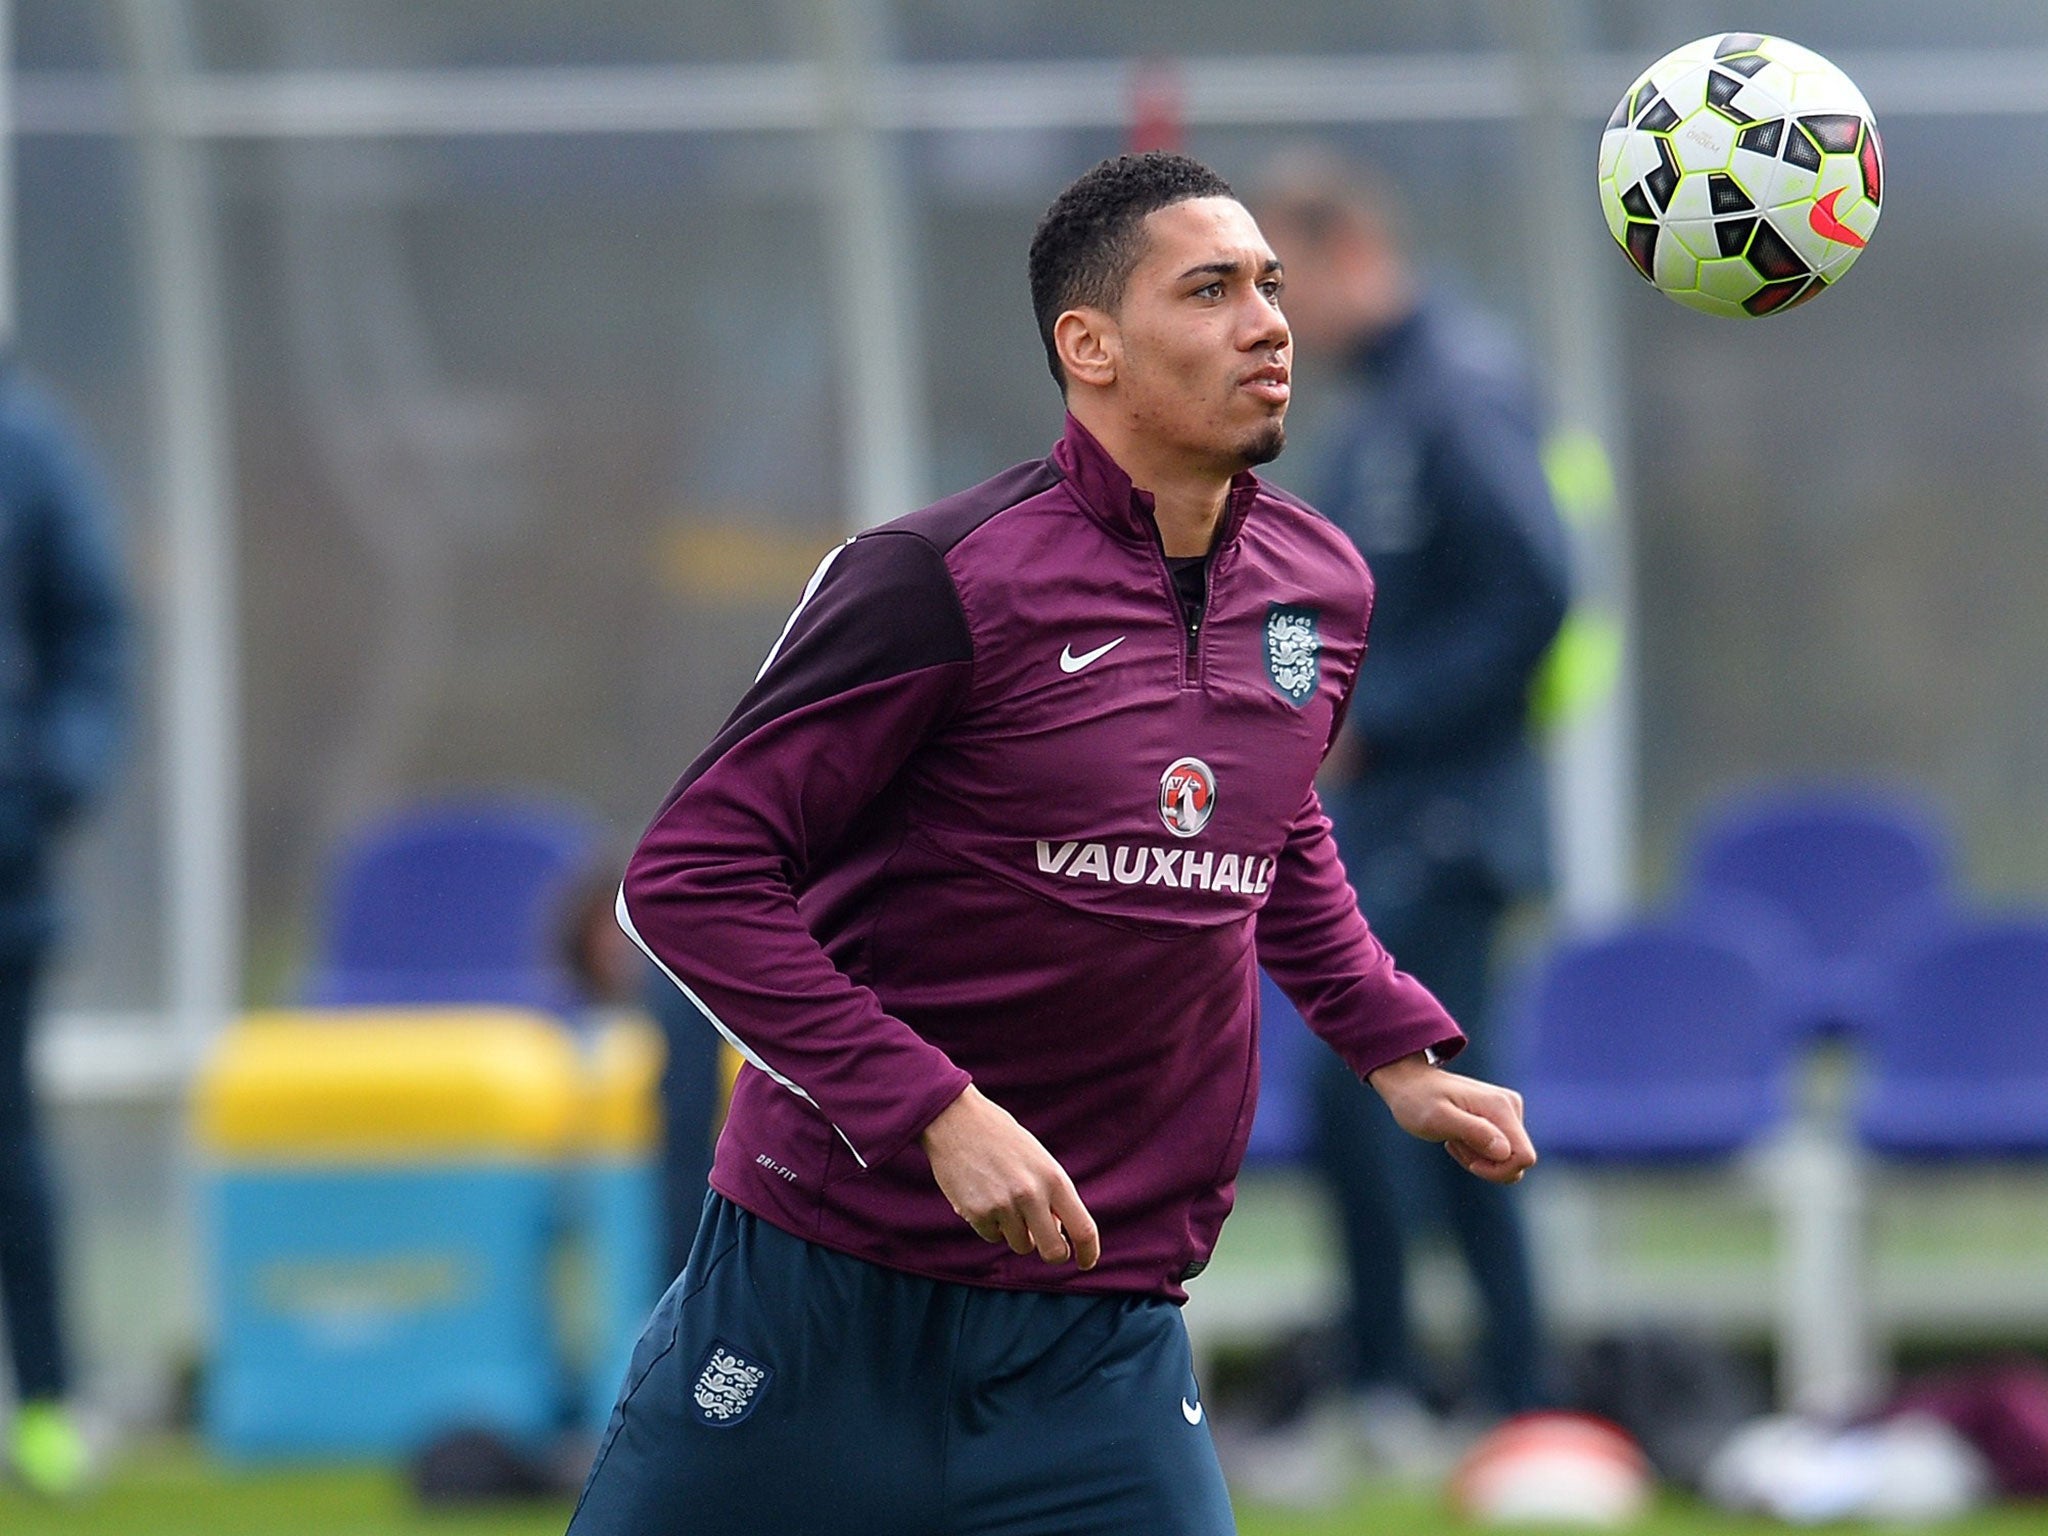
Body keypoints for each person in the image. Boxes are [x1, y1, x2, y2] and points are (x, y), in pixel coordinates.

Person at [568, 150, 1535, 1536]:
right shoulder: (936, 579)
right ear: (1089, 346)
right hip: (823, 1297)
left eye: (1269, 284)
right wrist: (933, 1113)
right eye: (1210, 290)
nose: (1267, 321)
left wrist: (1392, 1047)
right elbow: (685, 879)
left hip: (1104, 1339)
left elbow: (1273, 821)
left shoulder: (1321, 585)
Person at [1251, 152, 1570, 1460]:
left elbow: (1540, 592)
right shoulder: (1366, 410)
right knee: (1407, 1099)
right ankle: (1458, 1394)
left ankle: (1467, 1397)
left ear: (1350, 256)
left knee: (1412, 1090)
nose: (1269, 319)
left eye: (1278, 281)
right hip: (1390, 825)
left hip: (1453, 818)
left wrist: (1380, 724)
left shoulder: (1459, 390)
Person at [0, 355, 128, 1496]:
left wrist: (49, 780)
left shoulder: (25, 442)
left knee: (7, 1145)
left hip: (2, 869)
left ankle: (44, 1402)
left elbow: (96, 632)